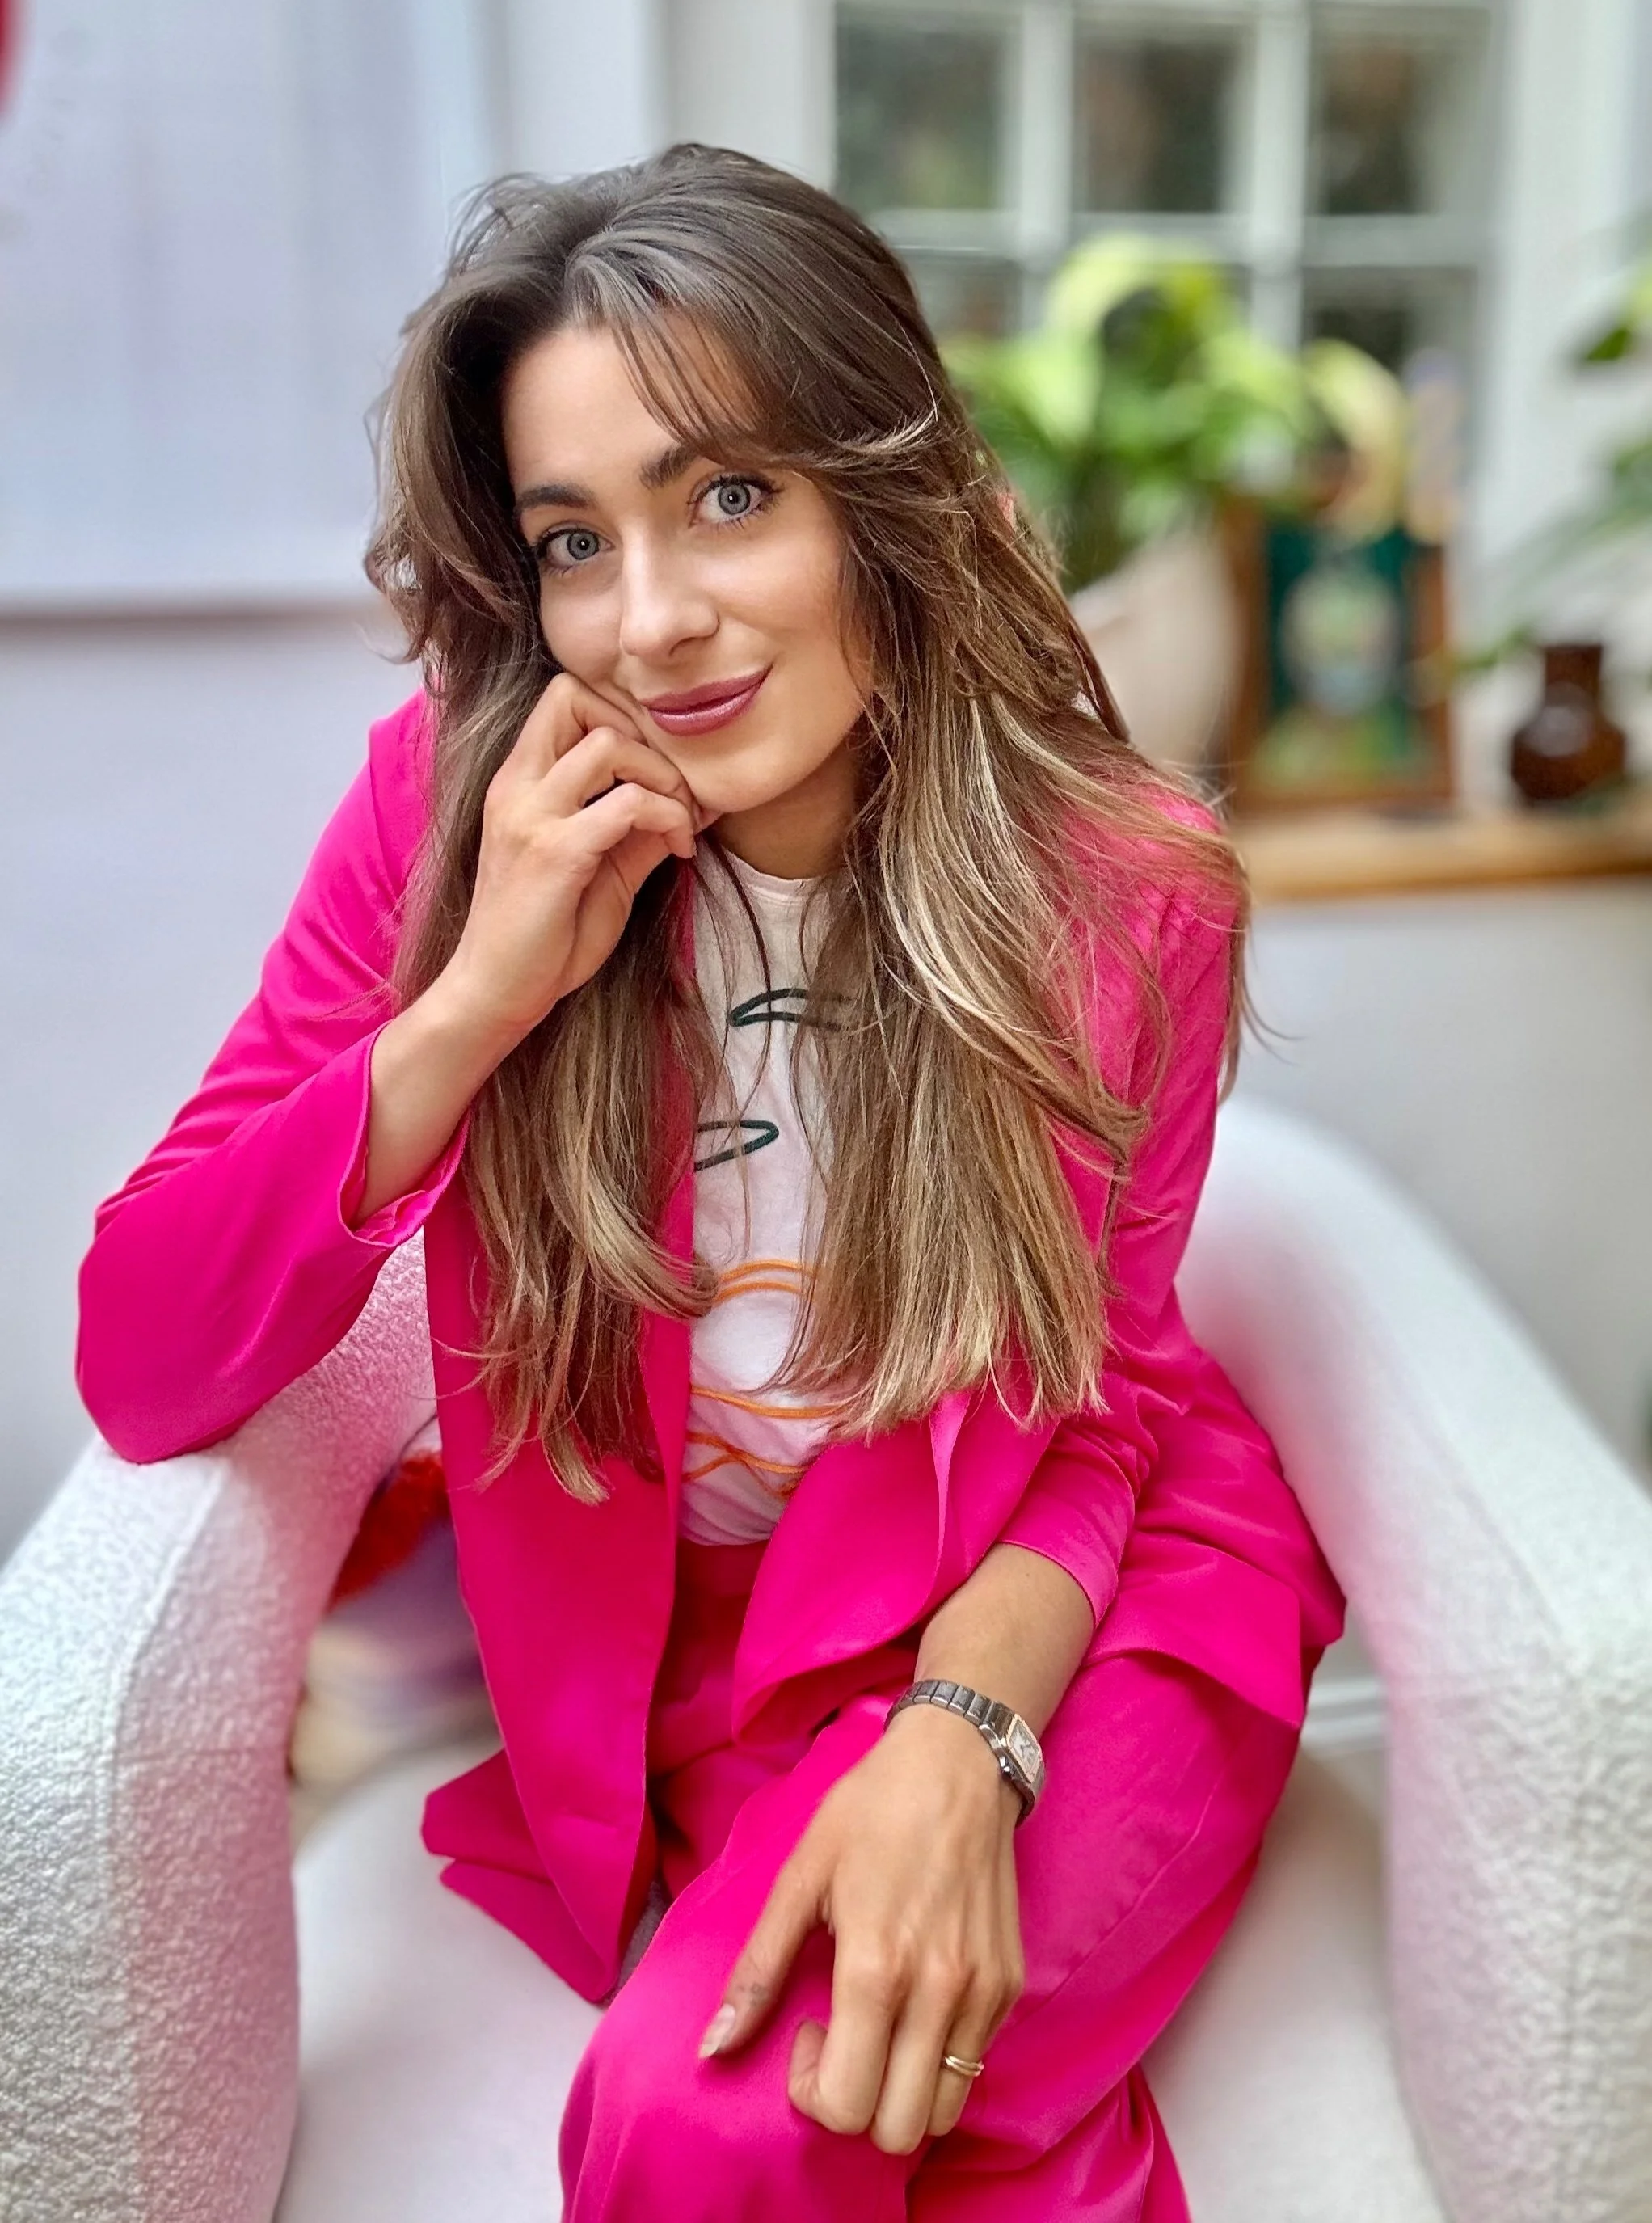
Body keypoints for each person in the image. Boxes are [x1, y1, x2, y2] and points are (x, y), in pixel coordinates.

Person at [75, 144, 1344, 2220]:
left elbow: (1096, 1408)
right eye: (574, 541)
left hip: (1070, 1599)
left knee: (716, 2118)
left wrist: (964, 1735)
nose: (650, 621)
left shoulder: (1120, 888)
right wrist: (476, 999)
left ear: (878, 493)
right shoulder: (449, 820)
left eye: (730, 496)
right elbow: (144, 1353)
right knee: (792, 2096)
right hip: (709, 1670)